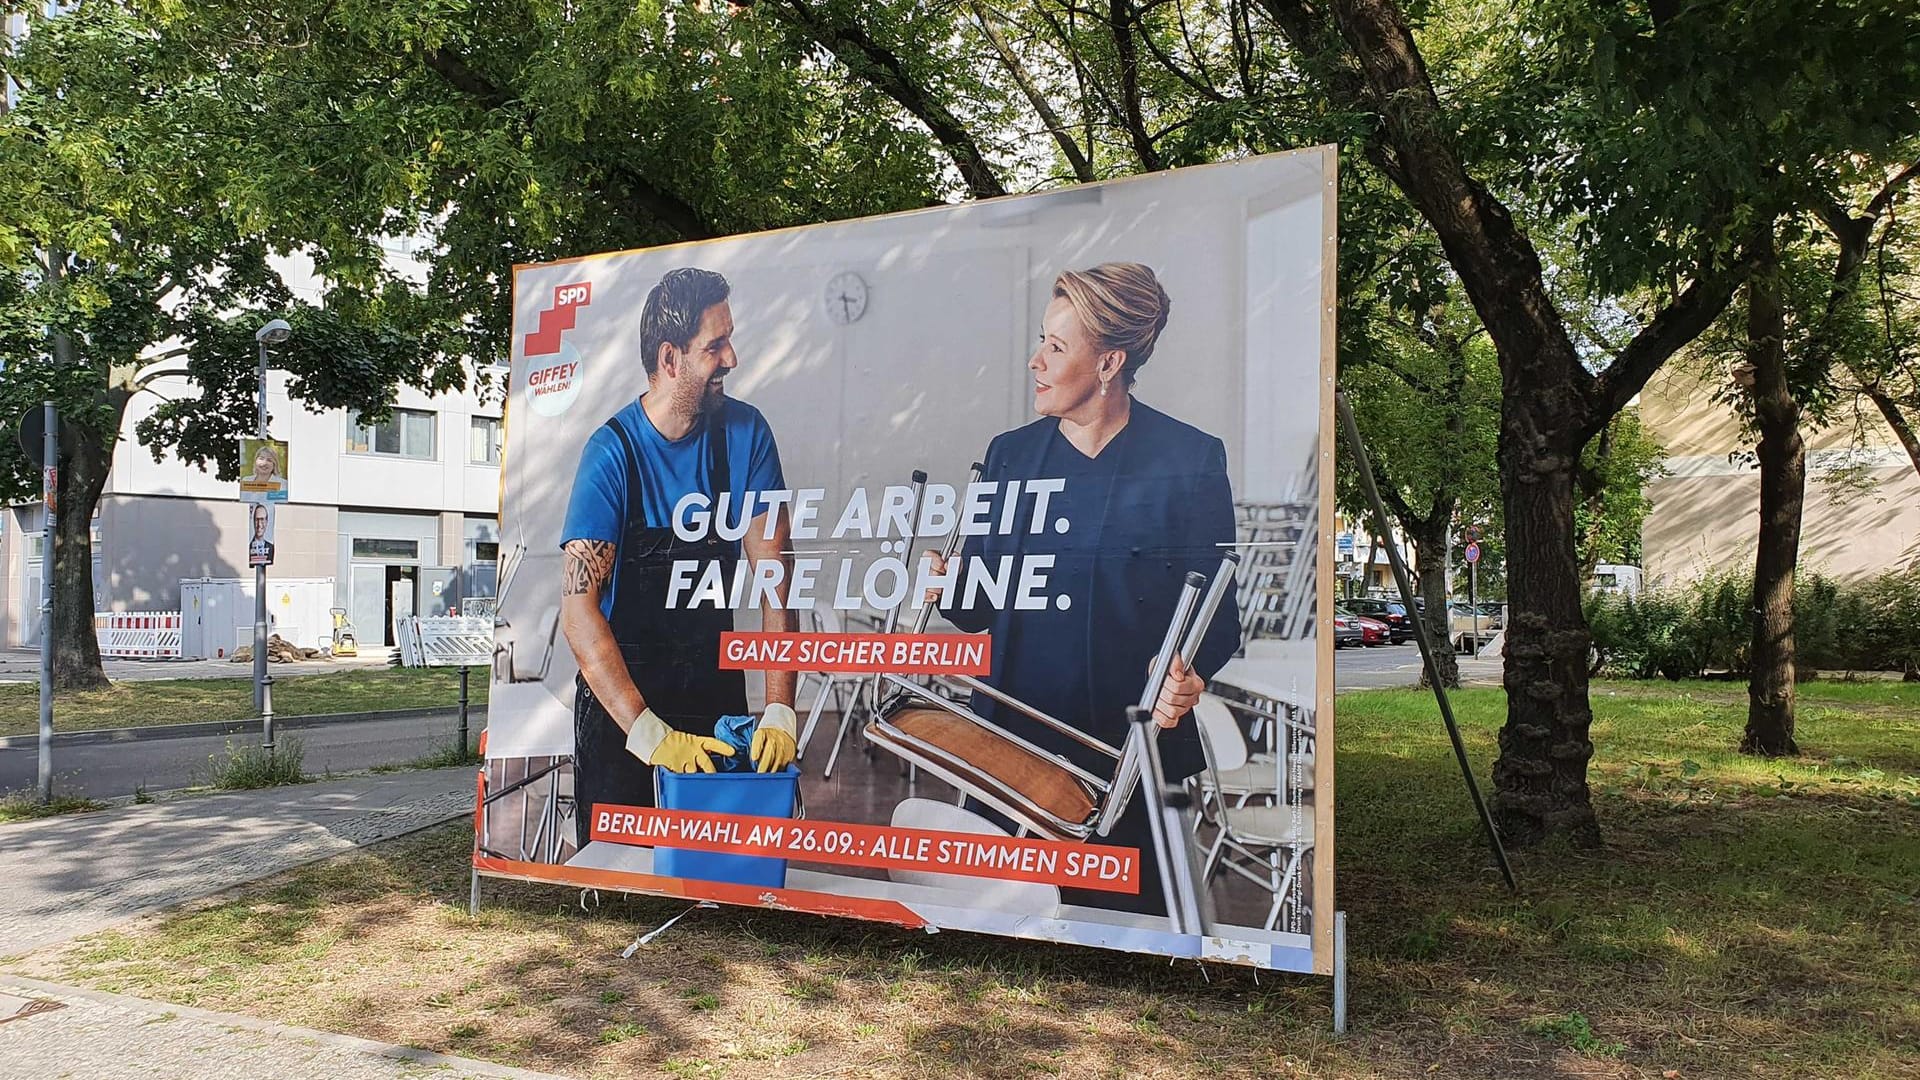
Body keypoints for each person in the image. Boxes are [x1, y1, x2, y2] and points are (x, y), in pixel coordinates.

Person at [928, 261, 1240, 916]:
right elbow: (977, 605)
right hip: (1017, 750)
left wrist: (1188, 673)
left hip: (1133, 760)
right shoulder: (1010, 457)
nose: (1035, 361)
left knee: (1134, 945)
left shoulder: (1190, 459)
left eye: (1056, 346)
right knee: (1006, 935)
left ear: (1107, 363)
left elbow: (1218, 613)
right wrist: (944, 580)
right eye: (1042, 340)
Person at [560, 267, 798, 849]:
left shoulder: (747, 435)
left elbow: (777, 582)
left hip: (715, 700)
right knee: (621, 882)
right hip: (625, 709)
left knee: (713, 886)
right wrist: (649, 735)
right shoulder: (611, 454)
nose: (732, 358)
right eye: (715, 346)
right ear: (671, 358)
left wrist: (778, 711)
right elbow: (578, 610)